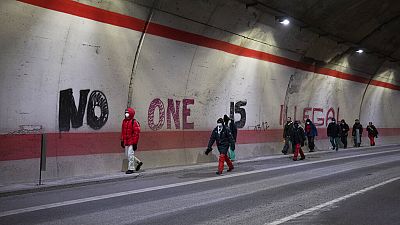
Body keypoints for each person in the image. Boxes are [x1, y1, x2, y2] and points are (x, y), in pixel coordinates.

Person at [120, 107, 143, 174]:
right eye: (126, 113)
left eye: (127, 113)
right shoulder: (124, 121)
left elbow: (136, 133)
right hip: (126, 141)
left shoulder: (134, 122)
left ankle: (131, 168)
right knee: (127, 155)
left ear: (131, 114)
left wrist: (135, 143)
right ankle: (139, 162)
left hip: (132, 141)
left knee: (130, 154)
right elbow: (123, 132)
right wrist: (122, 140)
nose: (126, 114)